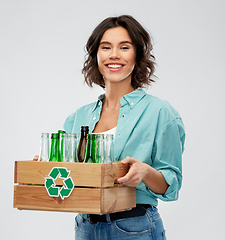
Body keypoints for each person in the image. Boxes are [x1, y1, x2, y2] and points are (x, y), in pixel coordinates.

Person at [62, 15, 185, 240]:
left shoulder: (159, 112)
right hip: (85, 227)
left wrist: (145, 172)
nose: (114, 55)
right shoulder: (76, 118)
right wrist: (44, 171)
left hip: (134, 228)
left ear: (137, 55)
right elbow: (70, 177)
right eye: (106, 47)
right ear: (96, 56)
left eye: (124, 47)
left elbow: (172, 185)